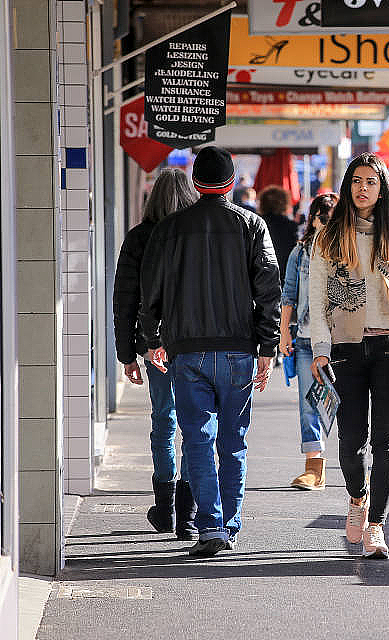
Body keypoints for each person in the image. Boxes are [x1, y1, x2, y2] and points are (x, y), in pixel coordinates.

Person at [140, 146, 281, 558]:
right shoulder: (251, 225)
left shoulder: (170, 229)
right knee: (233, 443)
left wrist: (153, 340)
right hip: (238, 350)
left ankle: (210, 526)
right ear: (231, 183)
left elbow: (152, 292)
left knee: (197, 442)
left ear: (195, 183)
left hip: (187, 353)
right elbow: (268, 290)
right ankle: (230, 524)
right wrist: (268, 346)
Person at [309, 152, 389, 559]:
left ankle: (377, 524)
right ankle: (357, 497)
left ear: (382, 188)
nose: (362, 189)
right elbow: (317, 298)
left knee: (385, 440)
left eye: (370, 182)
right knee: (350, 440)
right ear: (347, 187)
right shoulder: (329, 236)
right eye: (356, 181)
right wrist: (320, 350)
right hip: (346, 346)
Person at [113, 168, 199, 540]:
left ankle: (164, 507)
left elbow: (125, 299)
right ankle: (188, 510)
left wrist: (126, 353)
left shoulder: (139, 237)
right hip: (195, 343)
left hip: (153, 345)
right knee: (195, 423)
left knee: (163, 419)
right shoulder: (196, 234)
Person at [280, 193, 338, 490]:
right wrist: (284, 333)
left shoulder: (348, 251)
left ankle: (359, 467)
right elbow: (288, 293)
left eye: (332, 218)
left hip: (341, 341)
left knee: (349, 404)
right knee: (308, 404)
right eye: (322, 218)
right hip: (305, 339)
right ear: (313, 219)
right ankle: (314, 467)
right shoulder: (301, 252)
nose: (326, 224)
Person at [259, 185, 300, 285]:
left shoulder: (257, 223)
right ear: (284, 203)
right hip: (283, 276)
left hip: (260, 277)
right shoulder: (290, 226)